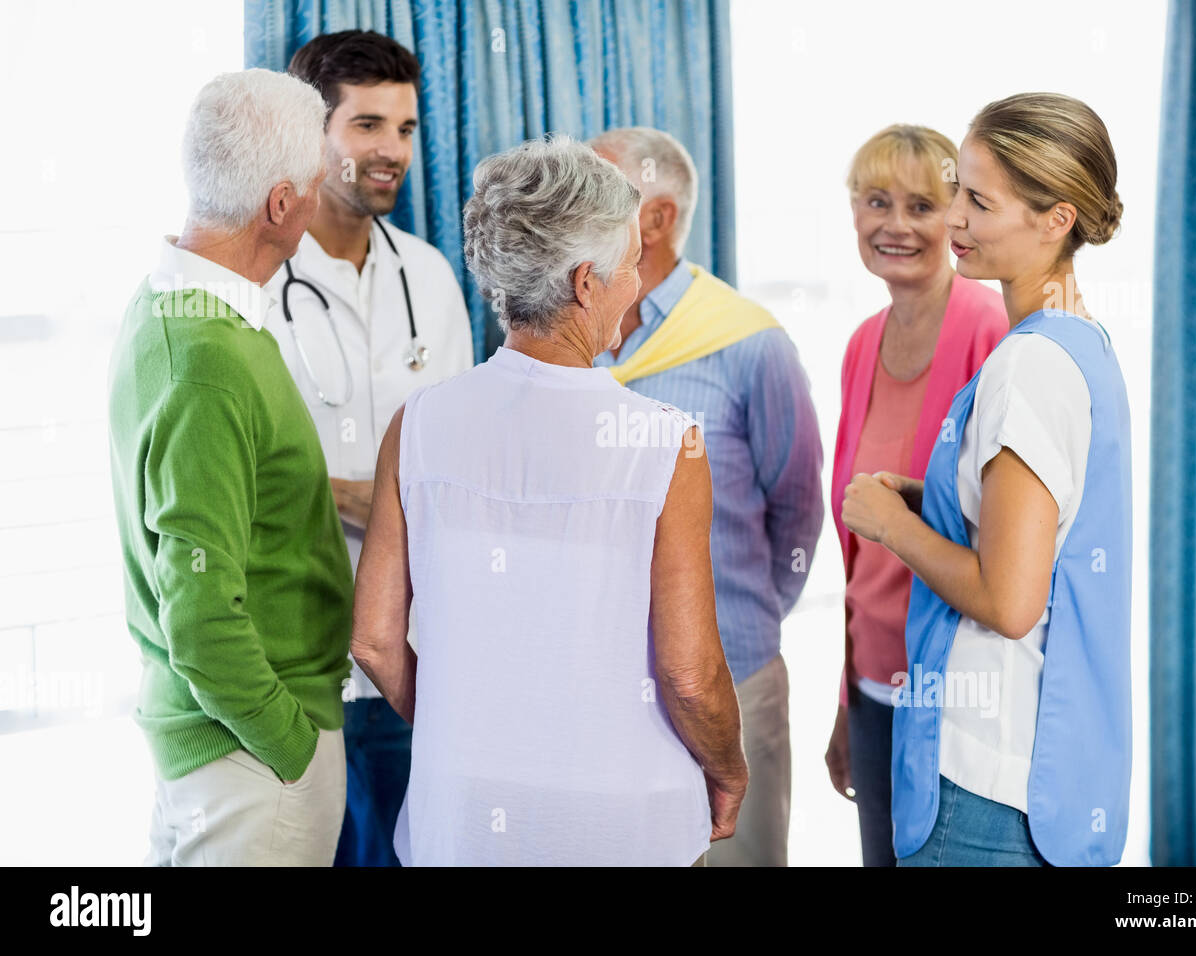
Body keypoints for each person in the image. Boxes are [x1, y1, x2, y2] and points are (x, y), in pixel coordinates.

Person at [350, 134, 748, 866]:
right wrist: (727, 770)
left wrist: (456, 731)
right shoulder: (665, 445)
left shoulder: (419, 424)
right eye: (630, 266)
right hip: (623, 826)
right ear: (587, 283)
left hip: (463, 820)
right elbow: (689, 674)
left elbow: (375, 639)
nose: (636, 284)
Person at [842, 92, 1133, 866]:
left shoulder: (1027, 367)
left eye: (977, 200)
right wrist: (932, 501)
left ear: (1056, 219)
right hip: (1036, 772)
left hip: (986, 777)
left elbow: (1009, 602)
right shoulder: (1078, 341)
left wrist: (892, 526)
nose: (954, 220)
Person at [107, 69, 353, 866]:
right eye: (316, 183)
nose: (322, 200)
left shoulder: (165, 302)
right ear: (282, 205)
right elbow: (202, 615)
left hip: (222, 755)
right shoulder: (209, 359)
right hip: (252, 763)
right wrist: (291, 747)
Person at [262, 29, 474, 868]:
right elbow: (247, 475)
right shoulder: (258, 282)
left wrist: (366, 491)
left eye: (407, 129)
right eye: (368, 126)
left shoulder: (430, 276)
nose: (392, 150)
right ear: (312, 135)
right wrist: (360, 492)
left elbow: (458, 459)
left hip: (410, 651)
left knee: (402, 854)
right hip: (295, 659)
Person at [587, 126, 823, 867]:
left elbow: (798, 512)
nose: (571, 204)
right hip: (600, 683)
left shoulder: (751, 345)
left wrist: (737, 619)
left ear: (654, 221)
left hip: (735, 679)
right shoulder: (565, 334)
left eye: (595, 190)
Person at [824, 125, 1007, 866]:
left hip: (960, 700)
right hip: (873, 692)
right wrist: (846, 701)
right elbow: (859, 549)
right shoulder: (863, 341)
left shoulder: (987, 327)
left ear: (956, 216)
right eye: (876, 202)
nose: (894, 225)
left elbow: (1002, 537)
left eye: (922, 205)